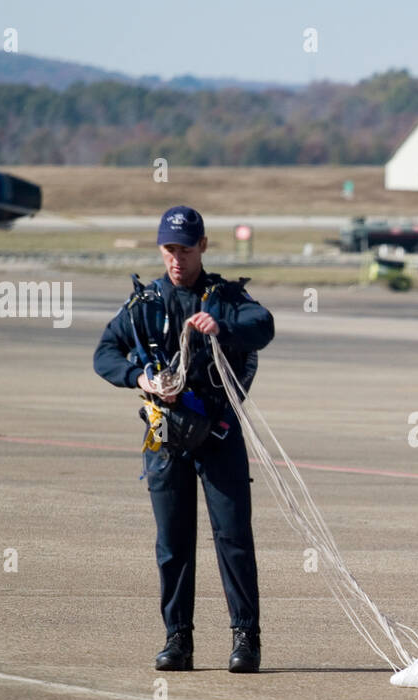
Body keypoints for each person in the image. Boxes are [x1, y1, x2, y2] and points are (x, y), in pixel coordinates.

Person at [93, 206, 275, 673]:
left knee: (233, 537)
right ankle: (178, 640)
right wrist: (142, 379)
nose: (177, 259)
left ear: (203, 247)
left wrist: (223, 327)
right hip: (164, 439)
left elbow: (264, 326)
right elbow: (104, 354)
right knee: (173, 544)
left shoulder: (225, 299)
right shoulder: (146, 304)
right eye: (170, 250)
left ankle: (246, 638)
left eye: (186, 249)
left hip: (218, 435)